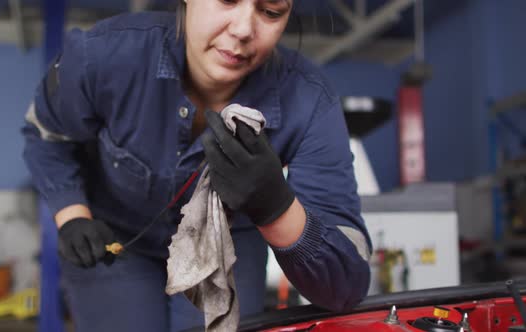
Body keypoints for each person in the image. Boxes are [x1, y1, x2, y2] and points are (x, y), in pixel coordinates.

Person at [22, 0, 372, 331]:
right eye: (227, 1)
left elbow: (344, 288)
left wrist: (275, 207)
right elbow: (46, 135)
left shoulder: (310, 100)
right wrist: (72, 215)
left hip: (230, 241)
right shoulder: (103, 54)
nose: (243, 29)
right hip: (116, 238)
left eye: (270, 11)